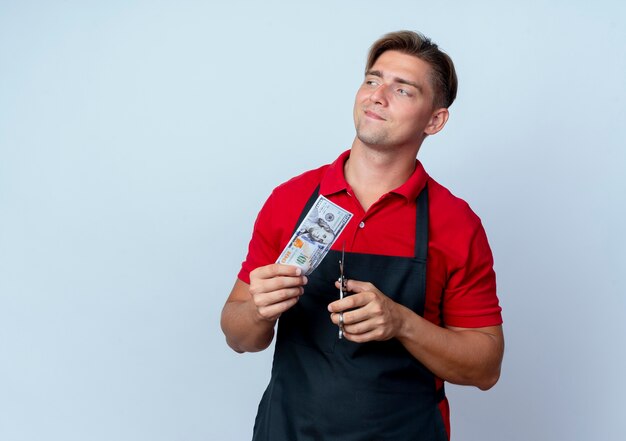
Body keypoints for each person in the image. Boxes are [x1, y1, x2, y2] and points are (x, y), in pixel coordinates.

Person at [221, 30, 504, 441]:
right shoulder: (291, 199)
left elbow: (485, 369)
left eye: (403, 90)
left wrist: (402, 322)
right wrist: (258, 311)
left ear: (434, 120)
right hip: (287, 430)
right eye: (373, 80)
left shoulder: (455, 222)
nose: (378, 95)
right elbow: (238, 336)